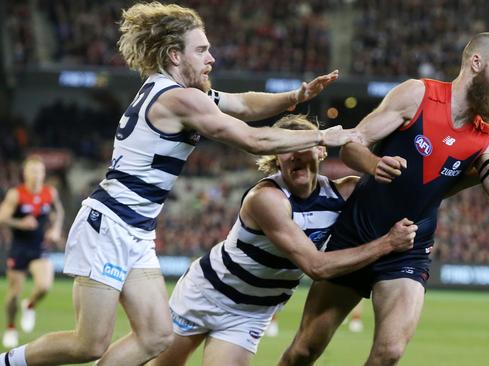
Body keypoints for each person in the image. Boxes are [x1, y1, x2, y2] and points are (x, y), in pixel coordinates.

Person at [0, 3, 361, 365]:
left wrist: (294, 98)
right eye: (202, 50)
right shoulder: (179, 99)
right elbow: (255, 140)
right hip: (109, 225)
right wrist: (321, 138)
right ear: (175, 55)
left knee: (156, 337)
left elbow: (243, 103)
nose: (212, 58)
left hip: (134, 229)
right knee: (88, 344)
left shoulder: (172, 90)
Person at [279, 32, 489, 366]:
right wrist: (374, 163)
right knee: (305, 350)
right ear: (476, 62)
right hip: (357, 234)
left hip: (408, 250)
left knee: (389, 353)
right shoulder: (417, 95)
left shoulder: (488, 140)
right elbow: (352, 145)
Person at [149, 114, 417, 366]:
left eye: (307, 145)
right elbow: (316, 267)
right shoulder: (266, 199)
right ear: (277, 156)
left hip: (250, 313)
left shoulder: (344, 193)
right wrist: (387, 244)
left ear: (322, 150)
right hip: (206, 294)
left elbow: (402, 191)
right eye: (288, 147)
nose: (297, 155)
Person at [0, 156, 64, 348]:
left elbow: (58, 211)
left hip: (39, 247)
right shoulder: (16, 194)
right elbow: (2, 218)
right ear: (25, 173)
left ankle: (29, 305)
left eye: (39, 171)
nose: (36, 175)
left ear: (44, 173)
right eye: (32, 171)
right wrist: (20, 222)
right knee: (13, 295)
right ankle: (11, 327)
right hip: (19, 248)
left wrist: (55, 229)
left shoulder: (49, 192)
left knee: (44, 286)